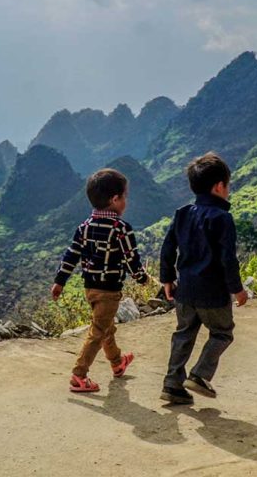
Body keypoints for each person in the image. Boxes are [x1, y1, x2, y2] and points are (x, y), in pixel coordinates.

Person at [159, 152, 248, 405]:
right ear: (219, 186)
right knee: (222, 333)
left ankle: (172, 384)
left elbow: (167, 248)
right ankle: (199, 375)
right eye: (228, 185)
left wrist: (167, 278)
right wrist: (238, 290)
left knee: (184, 334)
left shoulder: (183, 213)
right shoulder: (223, 218)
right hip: (213, 293)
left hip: (185, 290)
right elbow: (227, 259)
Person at [51, 168, 149, 393]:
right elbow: (131, 259)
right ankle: (79, 375)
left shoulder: (83, 228)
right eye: (125, 196)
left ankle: (117, 362)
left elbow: (71, 256)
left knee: (106, 327)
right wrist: (142, 278)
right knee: (98, 330)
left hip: (90, 288)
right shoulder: (121, 228)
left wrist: (60, 282)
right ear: (115, 199)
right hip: (109, 290)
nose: (126, 201)